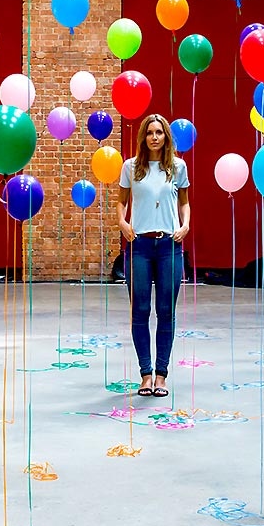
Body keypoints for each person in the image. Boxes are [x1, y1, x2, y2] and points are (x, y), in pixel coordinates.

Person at [117, 113, 190, 398]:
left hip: (170, 246)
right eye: (150, 132)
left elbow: (184, 203)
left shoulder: (177, 167)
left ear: (166, 137)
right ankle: (145, 375)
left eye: (159, 132)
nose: (155, 137)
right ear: (143, 137)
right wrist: (122, 222)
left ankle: (162, 375)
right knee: (140, 311)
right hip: (139, 247)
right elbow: (121, 202)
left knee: (165, 312)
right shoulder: (131, 167)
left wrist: (185, 225)